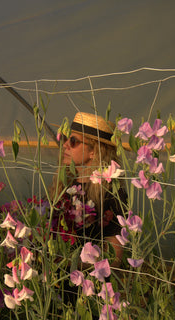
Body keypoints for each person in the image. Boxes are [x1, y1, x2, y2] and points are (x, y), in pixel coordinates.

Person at [49, 112, 127, 266]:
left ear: (94, 151)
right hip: (55, 278)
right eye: (65, 139)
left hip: (88, 283)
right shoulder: (65, 185)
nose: (65, 145)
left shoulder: (111, 193)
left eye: (73, 141)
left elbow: (114, 258)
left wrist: (70, 262)